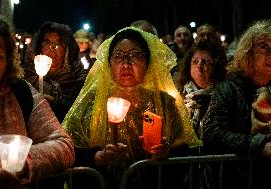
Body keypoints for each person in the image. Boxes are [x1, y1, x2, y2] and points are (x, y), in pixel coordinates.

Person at [62, 27, 202, 189]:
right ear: (109, 63)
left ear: (147, 62)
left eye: (135, 55)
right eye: (118, 56)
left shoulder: (164, 103)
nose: (126, 64)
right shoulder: (92, 102)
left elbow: (184, 153)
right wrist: (98, 157)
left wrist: (166, 154)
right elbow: (67, 149)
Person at [0, 11, 75, 188]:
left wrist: (22, 161)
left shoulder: (21, 92)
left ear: (8, 62)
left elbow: (63, 145)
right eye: (47, 42)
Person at [202, 19, 271, 188]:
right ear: (248, 52)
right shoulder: (229, 89)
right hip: (234, 179)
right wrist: (258, 144)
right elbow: (212, 132)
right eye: (264, 48)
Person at [23, 21, 86, 123]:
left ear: (68, 50)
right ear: (39, 47)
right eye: (47, 42)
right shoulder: (26, 77)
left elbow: (82, 118)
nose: (52, 48)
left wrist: (57, 104)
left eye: (59, 43)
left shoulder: (79, 81)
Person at [174, 40, 228, 139]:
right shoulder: (177, 93)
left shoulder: (225, 95)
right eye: (195, 61)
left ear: (216, 66)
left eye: (205, 61)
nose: (199, 65)